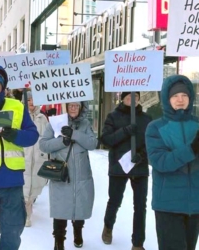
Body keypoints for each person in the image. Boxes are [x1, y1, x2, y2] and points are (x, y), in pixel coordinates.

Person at [145, 75, 199, 250]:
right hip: (168, 204)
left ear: (190, 98)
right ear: (167, 98)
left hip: (195, 203)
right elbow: (161, 162)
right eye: (175, 96)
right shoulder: (156, 128)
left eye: (184, 96)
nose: (180, 100)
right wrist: (192, 149)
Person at [0, 63, 39, 250]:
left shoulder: (17, 106)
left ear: (3, 86)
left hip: (12, 182)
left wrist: (16, 135)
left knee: (12, 236)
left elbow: (33, 135)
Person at [39, 101, 97, 250]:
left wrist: (75, 134)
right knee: (60, 209)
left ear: (81, 108)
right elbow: (43, 144)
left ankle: (78, 231)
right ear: (65, 106)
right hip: (61, 174)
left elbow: (92, 143)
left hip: (81, 175)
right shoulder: (54, 122)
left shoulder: (84, 124)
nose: (73, 108)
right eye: (70, 105)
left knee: (80, 207)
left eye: (76, 105)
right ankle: (59, 241)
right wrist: (62, 141)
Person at [100, 92, 151, 250]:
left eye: (136, 97)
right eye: (129, 97)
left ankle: (138, 242)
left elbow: (152, 142)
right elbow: (106, 140)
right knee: (114, 201)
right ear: (122, 99)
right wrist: (125, 131)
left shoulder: (146, 119)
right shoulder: (113, 116)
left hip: (139, 168)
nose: (133, 100)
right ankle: (108, 227)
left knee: (140, 206)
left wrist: (142, 156)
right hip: (119, 166)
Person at [23, 90, 49, 227]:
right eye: (28, 100)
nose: (31, 103)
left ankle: (30, 202)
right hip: (24, 156)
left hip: (39, 157)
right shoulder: (20, 116)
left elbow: (47, 137)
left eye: (33, 100)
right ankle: (26, 213)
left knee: (35, 185)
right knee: (25, 186)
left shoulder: (42, 118)